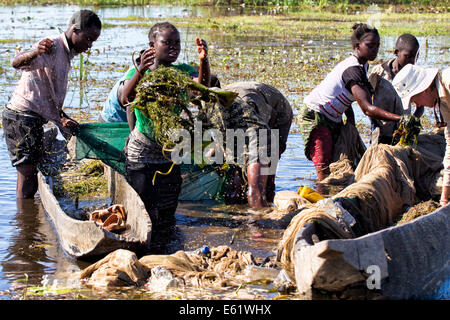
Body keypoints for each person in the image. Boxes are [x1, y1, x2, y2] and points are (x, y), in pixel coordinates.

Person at [2, 10, 102, 199]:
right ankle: (25, 225)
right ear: (74, 30)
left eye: (93, 42)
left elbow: (47, 92)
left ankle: (26, 221)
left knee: (29, 176)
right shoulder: (52, 46)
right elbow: (17, 64)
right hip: (22, 118)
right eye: (87, 39)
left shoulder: (66, 53)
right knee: (27, 180)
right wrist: (36, 51)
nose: (89, 46)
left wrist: (61, 118)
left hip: (30, 119)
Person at [118, 22, 210, 224]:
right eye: (167, 42)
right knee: (145, 213)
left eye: (177, 43)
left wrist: (204, 61)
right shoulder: (140, 75)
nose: (173, 47)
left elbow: (202, 88)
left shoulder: (182, 73)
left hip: (169, 152)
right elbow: (126, 99)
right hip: (141, 153)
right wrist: (141, 68)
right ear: (152, 46)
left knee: (168, 214)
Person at [298, 23, 403, 181]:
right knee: (324, 169)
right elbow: (367, 108)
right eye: (370, 45)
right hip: (316, 116)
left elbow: (344, 94)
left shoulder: (363, 65)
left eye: (377, 45)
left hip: (333, 117)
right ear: (357, 46)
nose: (375, 49)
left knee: (336, 162)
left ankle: (329, 196)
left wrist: (351, 123)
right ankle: (322, 199)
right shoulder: (352, 70)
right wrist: (400, 119)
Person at [222, 81, 293, 203]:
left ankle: (265, 201)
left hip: (277, 113)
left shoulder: (250, 105)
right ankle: (242, 196)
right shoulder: (216, 106)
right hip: (249, 102)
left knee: (266, 164)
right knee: (237, 165)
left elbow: (260, 143)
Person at [392, 64, 450, 206]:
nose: (416, 104)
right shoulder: (443, 103)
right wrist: (444, 198)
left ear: (423, 89)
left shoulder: (448, 82)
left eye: (413, 99)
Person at [369, 33, 423, 144]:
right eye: (408, 56)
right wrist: (374, 124)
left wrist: (411, 122)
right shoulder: (379, 73)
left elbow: (420, 107)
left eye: (415, 56)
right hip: (381, 132)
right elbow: (366, 101)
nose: (412, 61)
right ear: (396, 52)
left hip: (402, 133)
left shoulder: (415, 76)